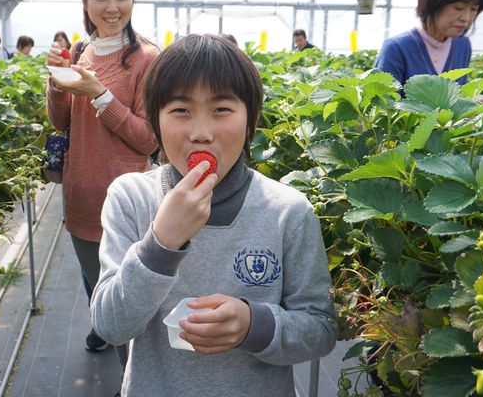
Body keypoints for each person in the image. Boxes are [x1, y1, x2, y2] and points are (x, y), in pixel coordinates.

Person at [91, 34, 337, 397]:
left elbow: (321, 329)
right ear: (156, 123)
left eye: (221, 110)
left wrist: (254, 324)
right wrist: (161, 242)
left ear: (251, 121)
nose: (201, 133)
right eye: (180, 111)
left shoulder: (288, 211)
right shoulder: (132, 198)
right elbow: (110, 326)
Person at [45, 0, 159, 363]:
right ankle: (101, 325)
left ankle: (131, 379)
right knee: (95, 282)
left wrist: (100, 94)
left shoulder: (147, 58)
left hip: (126, 202)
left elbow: (147, 139)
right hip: (80, 195)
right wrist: (57, 84)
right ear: (85, 2)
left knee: (129, 299)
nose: (112, 7)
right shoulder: (80, 51)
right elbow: (62, 123)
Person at [375, 0, 483, 87]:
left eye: (474, 9)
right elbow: (383, 104)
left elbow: (460, 96)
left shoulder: (462, 45)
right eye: (458, 7)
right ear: (434, 2)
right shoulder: (397, 48)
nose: (466, 18)